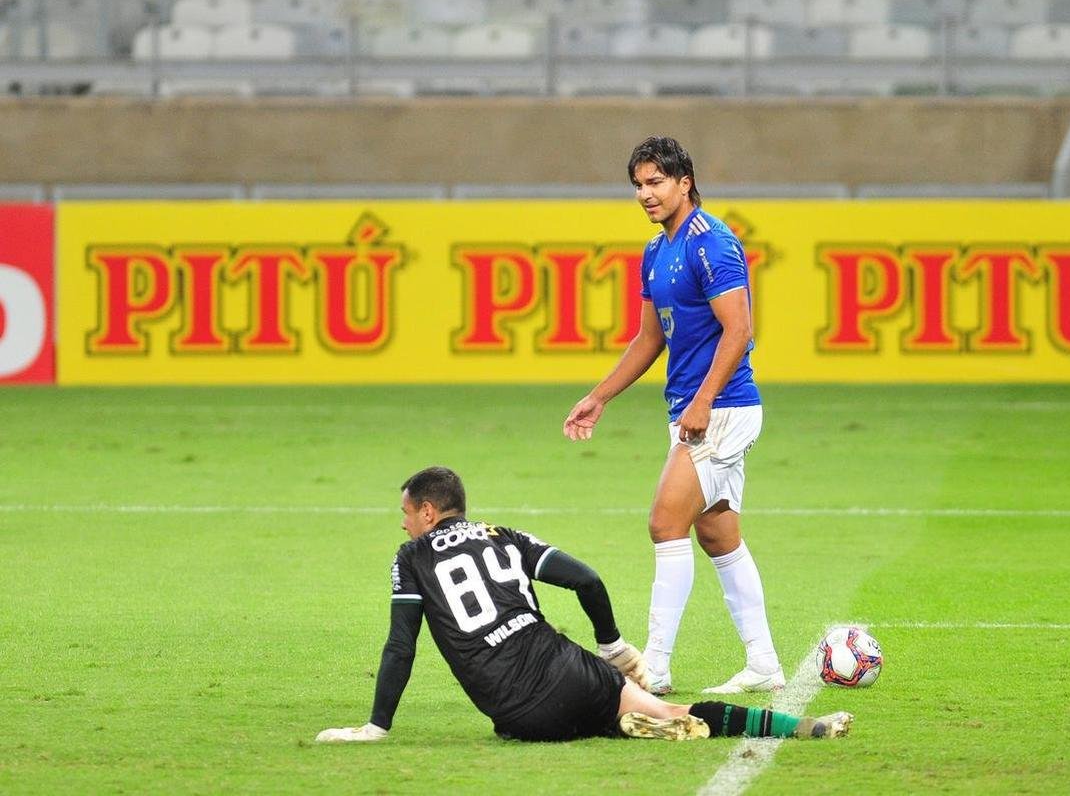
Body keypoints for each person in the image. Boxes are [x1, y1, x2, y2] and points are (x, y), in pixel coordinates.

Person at [315, 466, 853, 744]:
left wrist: (376, 726)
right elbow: (589, 581)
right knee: (670, 709)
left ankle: (599, 722)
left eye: (407, 512)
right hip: (572, 673)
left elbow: (400, 646)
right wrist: (614, 647)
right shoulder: (504, 536)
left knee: (520, 722)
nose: (404, 522)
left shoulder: (411, 557)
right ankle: (800, 728)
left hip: (515, 712)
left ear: (429, 512)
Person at [563, 136, 781, 695]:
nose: (645, 193)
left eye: (656, 182)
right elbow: (649, 336)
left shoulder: (714, 244)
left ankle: (652, 668)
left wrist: (704, 401)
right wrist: (601, 395)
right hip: (693, 410)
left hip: (723, 408)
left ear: (685, 182)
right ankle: (763, 664)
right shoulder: (657, 251)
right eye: (638, 184)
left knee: (664, 522)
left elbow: (740, 330)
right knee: (718, 535)